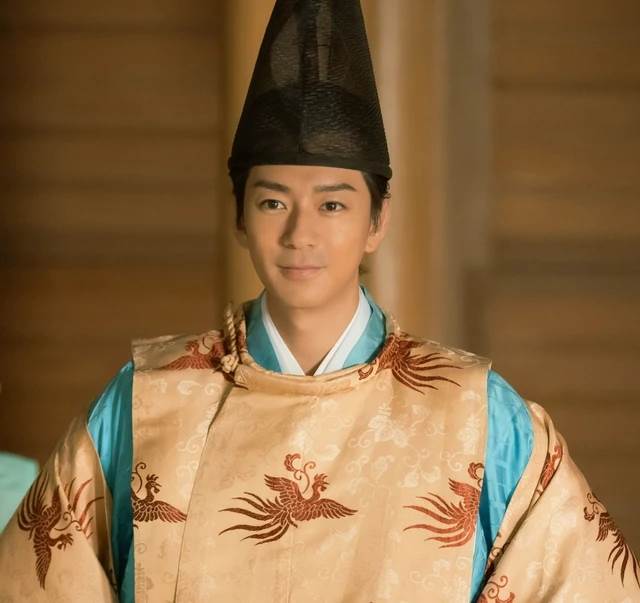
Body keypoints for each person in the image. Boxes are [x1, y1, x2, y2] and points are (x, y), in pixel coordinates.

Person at [1, 1, 638, 601]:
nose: (300, 233)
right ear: (240, 218)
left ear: (377, 221)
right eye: (272, 201)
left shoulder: (477, 415)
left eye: (332, 204)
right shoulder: (149, 401)